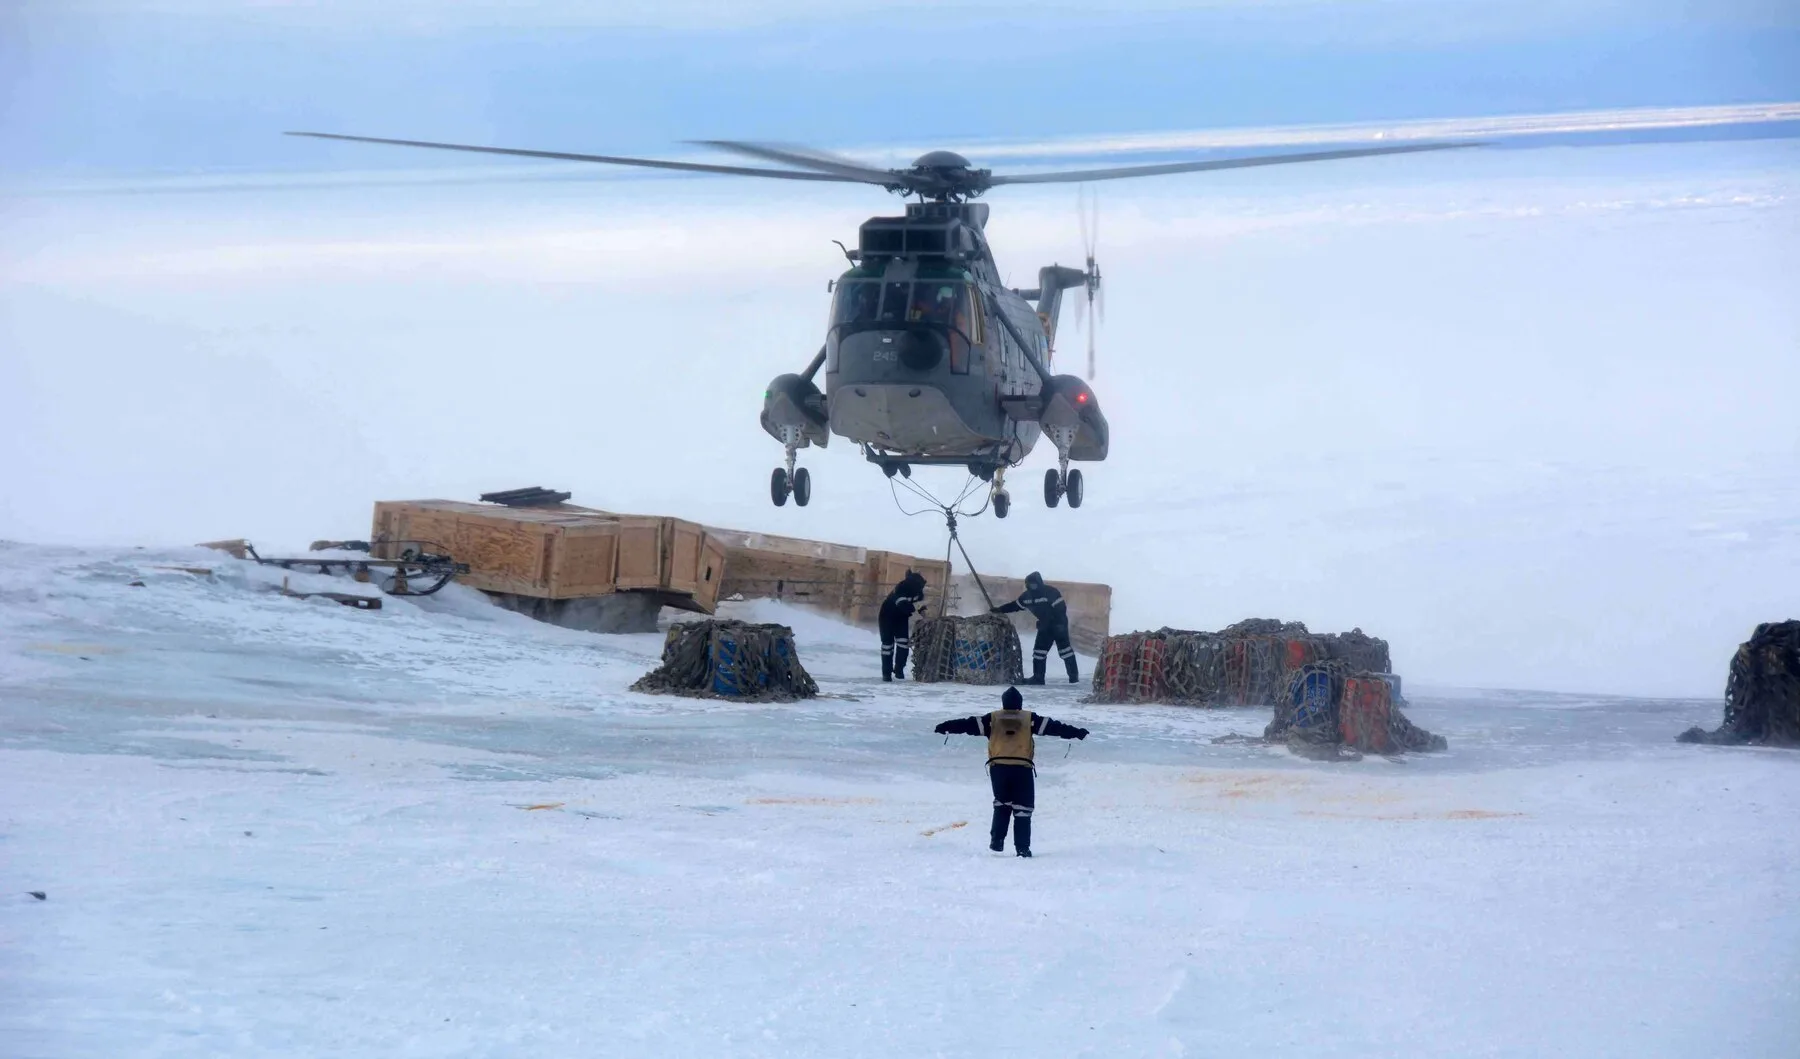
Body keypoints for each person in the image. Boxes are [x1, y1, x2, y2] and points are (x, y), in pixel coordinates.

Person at [933, 685, 1088, 857]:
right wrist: (1076, 732)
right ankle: (1022, 849)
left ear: (1003, 703)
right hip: (1022, 769)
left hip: (998, 768)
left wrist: (945, 726)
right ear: (1019, 704)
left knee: (1002, 803)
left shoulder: (991, 719)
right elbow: (1054, 727)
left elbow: (966, 724)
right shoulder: (1030, 718)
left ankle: (997, 841)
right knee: (1023, 808)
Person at [991, 572, 1078, 685]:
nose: (1032, 587)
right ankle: (1038, 678)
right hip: (1044, 628)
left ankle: (1074, 678)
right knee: (1039, 653)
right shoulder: (1026, 597)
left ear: (1040, 583)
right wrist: (1000, 609)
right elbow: (1015, 606)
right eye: (1030, 585)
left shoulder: (1051, 592)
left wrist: (1052, 623)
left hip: (1059, 626)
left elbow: (1061, 609)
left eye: (1034, 585)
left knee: (1065, 652)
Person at [878, 570, 927, 682]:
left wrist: (925, 616)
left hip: (901, 618)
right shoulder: (901, 588)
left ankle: (899, 669)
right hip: (887, 616)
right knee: (887, 646)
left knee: (903, 644)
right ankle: (886, 673)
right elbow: (903, 605)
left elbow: (919, 605)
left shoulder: (918, 592)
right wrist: (916, 612)